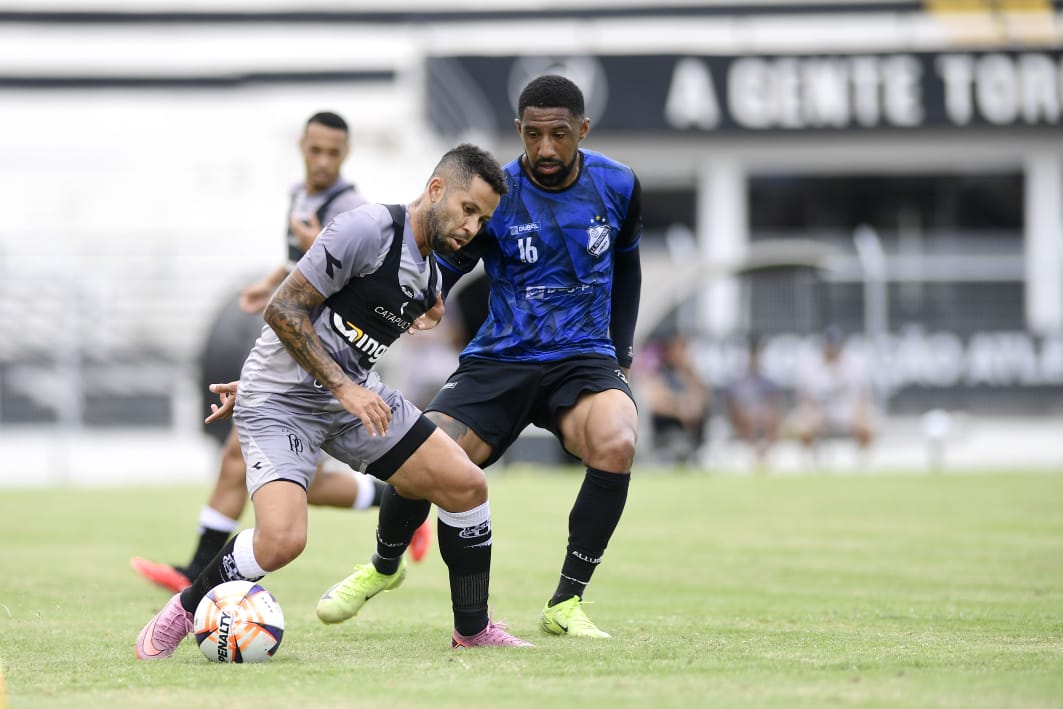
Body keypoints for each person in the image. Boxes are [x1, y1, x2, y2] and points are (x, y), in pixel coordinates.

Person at [135, 143, 531, 661]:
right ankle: (182, 611)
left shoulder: (431, 272)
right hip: (284, 401)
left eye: (482, 219)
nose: (471, 227)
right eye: (467, 209)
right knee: (281, 541)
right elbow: (285, 309)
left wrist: (369, 365)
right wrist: (275, 383)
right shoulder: (365, 229)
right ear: (436, 190)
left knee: (466, 484)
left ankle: (472, 629)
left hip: (349, 396)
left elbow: (345, 329)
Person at [318, 74, 642, 639]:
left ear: (582, 131)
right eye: (533, 134)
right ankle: (383, 566)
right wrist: (430, 296)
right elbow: (453, 255)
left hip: (583, 356)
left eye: (559, 135)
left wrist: (622, 349)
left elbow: (629, 264)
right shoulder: (499, 192)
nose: (545, 148)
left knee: (618, 440)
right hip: (502, 357)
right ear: (518, 130)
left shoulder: (619, 184)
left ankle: (565, 603)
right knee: (427, 448)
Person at [130, 111, 430, 596]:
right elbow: (302, 262)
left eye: (334, 153)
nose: (323, 161)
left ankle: (397, 505)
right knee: (262, 468)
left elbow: (358, 279)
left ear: (346, 154)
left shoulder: (353, 209)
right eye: (316, 150)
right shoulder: (300, 195)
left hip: (319, 358)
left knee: (266, 469)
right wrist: (268, 285)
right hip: (288, 353)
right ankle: (396, 505)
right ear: (302, 146)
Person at [793, 326, 876, 456]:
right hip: (819, 412)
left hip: (845, 411)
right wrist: (814, 415)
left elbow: (860, 399)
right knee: (804, 427)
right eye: (829, 345)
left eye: (835, 346)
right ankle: (810, 462)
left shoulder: (853, 365)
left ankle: (861, 462)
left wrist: (858, 416)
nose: (832, 350)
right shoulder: (811, 367)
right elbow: (805, 401)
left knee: (867, 425)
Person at [644, 332, 710, 465]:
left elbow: (702, 399)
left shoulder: (689, 374)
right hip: (668, 428)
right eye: (680, 349)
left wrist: (688, 374)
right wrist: (680, 410)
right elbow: (657, 402)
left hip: (691, 428)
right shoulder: (660, 372)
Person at [725, 334, 784, 467]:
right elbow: (733, 408)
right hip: (744, 422)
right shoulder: (736, 381)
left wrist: (761, 414)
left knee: (771, 417)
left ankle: (766, 455)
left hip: (763, 420)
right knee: (745, 417)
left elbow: (775, 406)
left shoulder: (769, 381)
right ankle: (752, 454)